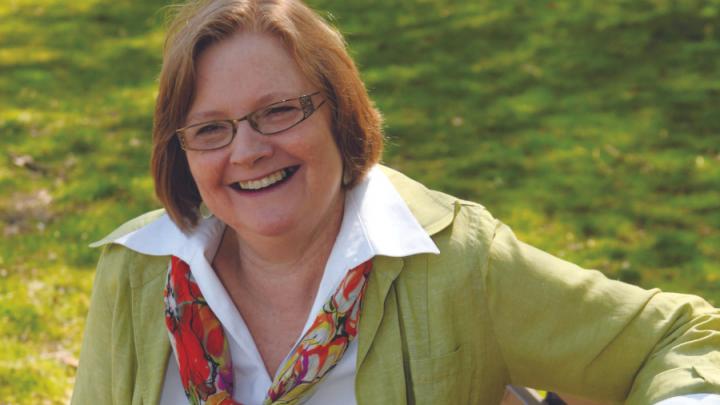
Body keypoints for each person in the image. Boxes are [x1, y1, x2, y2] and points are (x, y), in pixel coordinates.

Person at [71, 0, 720, 404]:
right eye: (211, 128)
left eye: (278, 111)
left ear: (339, 114)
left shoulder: (457, 262)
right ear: (180, 151)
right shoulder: (137, 273)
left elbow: (681, 336)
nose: (247, 150)